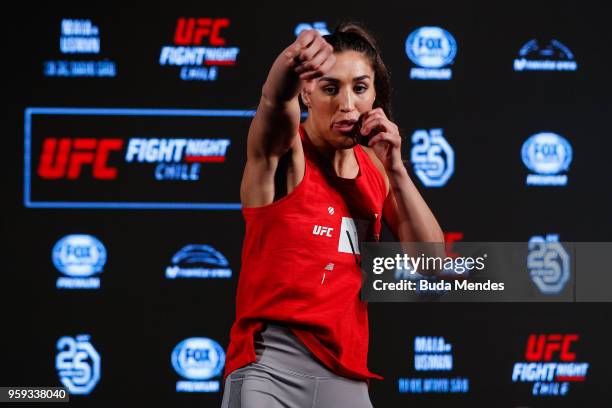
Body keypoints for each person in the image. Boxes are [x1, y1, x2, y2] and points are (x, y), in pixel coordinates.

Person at [220, 22, 444, 408]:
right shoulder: (287, 156)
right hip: (269, 371)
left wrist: (397, 172)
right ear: (306, 92)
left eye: (359, 88)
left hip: (346, 377)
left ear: (374, 93)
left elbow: (432, 262)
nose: (347, 104)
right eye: (329, 88)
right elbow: (274, 105)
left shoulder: (376, 168)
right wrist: (291, 60)